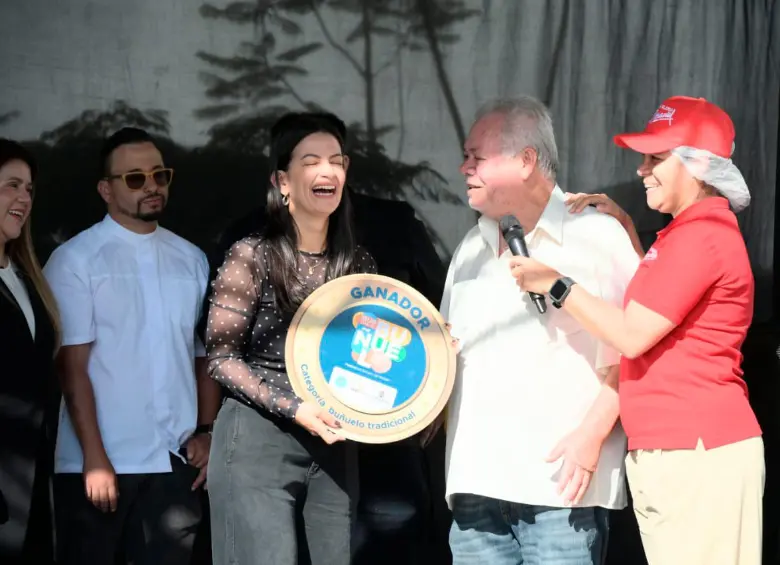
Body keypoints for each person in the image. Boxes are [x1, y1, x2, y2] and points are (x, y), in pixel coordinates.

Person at [510, 95, 763, 565]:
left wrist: (555, 283)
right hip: (678, 450)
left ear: (699, 164)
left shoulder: (702, 236)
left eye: (656, 158)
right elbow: (659, 303)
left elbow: (631, 335)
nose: (642, 169)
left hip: (696, 451)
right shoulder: (686, 234)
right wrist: (627, 229)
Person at [440, 96, 639, 564]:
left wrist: (592, 439)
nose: (464, 167)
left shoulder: (596, 234)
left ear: (526, 160)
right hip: (476, 487)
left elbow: (638, 350)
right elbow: (446, 354)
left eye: (477, 157)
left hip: (562, 491)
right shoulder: (470, 246)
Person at [205, 111, 377, 565]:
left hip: (336, 443)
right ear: (282, 181)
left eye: (337, 161)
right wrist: (295, 408)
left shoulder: (359, 263)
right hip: (258, 437)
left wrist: (431, 353)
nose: (328, 171)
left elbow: (380, 349)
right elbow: (220, 358)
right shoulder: (251, 254)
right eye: (312, 161)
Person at [44, 127, 221, 565]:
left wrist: (207, 431)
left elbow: (202, 354)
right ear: (106, 189)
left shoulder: (192, 258)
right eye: (135, 179)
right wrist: (95, 458)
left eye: (160, 175)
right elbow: (71, 367)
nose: (152, 187)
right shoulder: (76, 259)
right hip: (102, 466)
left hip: (174, 463)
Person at [0, 139, 60, 564]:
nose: (24, 198)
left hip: (31, 479)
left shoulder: (27, 278)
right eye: (12, 185)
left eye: (29, 189)